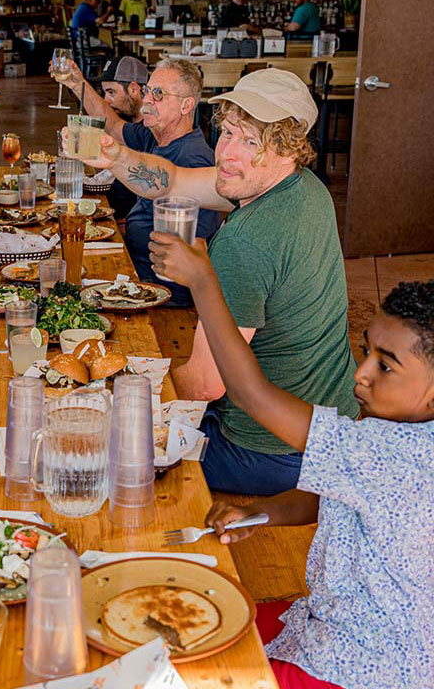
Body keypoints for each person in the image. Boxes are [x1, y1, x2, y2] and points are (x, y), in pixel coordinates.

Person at [149, 235, 434, 689]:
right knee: (192, 620)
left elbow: (249, 394)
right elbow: (341, 497)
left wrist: (203, 281)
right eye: (367, 351)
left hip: (353, 667)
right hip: (329, 626)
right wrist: (262, 513)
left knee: (174, 664)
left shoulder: (387, 454)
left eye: (387, 366)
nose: (361, 371)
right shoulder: (400, 439)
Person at [70, 68, 357, 495]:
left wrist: (109, 396)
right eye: (227, 133)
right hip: (332, 432)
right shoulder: (303, 188)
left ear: (287, 150)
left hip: (267, 452)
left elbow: (205, 383)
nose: (227, 154)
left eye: (251, 142)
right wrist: (115, 157)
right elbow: (176, 180)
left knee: (89, 455)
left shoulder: (247, 241)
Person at [59, 57, 219, 307]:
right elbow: (111, 126)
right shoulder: (153, 136)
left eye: (158, 94)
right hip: (134, 268)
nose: (146, 100)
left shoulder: (194, 157)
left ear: (186, 105)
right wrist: (77, 83)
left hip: (161, 293)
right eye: (147, 91)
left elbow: (186, 254)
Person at [92, 55, 149, 218]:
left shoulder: (148, 130)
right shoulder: (127, 121)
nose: (106, 100)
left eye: (111, 92)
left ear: (134, 89)